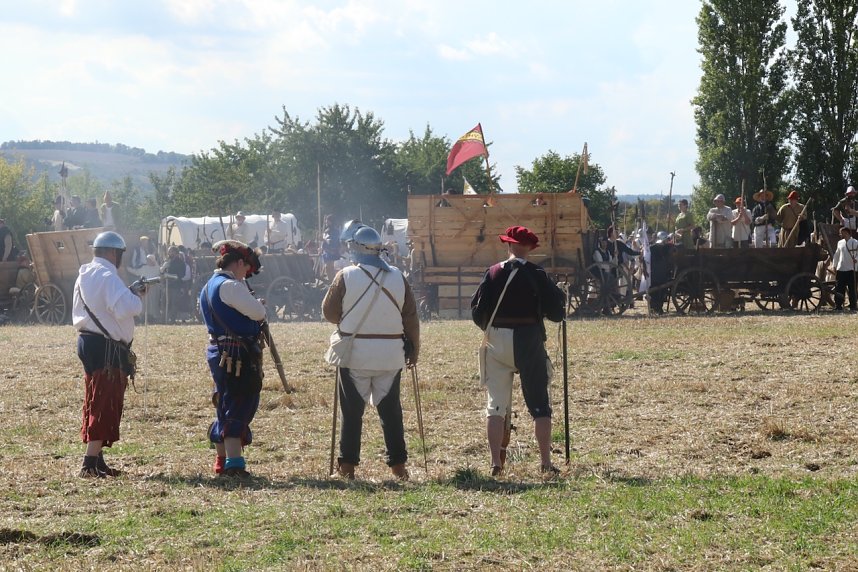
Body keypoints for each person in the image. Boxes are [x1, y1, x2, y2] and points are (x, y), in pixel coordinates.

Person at [322, 226, 420, 481]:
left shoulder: (345, 275)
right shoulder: (398, 276)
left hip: (356, 354)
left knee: (352, 412)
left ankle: (347, 468)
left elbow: (330, 313)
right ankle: (398, 467)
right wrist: (414, 351)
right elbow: (410, 318)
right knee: (391, 412)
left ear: (354, 248)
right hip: (391, 355)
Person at [470, 226, 565, 476]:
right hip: (528, 340)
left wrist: (493, 330)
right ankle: (545, 462)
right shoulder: (537, 274)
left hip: (497, 340)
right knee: (540, 405)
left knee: (495, 406)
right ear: (530, 248)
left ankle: (495, 463)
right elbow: (557, 313)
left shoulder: (491, 273)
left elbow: (477, 312)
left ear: (509, 245)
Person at [72, 231, 147, 477]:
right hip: (106, 347)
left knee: (96, 398)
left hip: (88, 341)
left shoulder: (85, 273)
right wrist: (135, 295)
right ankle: (89, 463)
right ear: (114, 253)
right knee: (105, 402)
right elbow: (128, 307)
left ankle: (98, 460)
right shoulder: (108, 276)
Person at [199, 240, 266, 478]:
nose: (246, 273)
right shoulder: (231, 286)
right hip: (236, 353)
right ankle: (234, 465)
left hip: (219, 350)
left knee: (225, 404)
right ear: (238, 262)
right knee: (239, 403)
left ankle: (222, 461)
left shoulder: (208, 286)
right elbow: (258, 313)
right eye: (245, 267)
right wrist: (257, 304)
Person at [831, 226, 858, 311]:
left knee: (852, 288)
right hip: (841, 268)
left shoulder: (855, 242)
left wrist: (856, 259)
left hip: (851, 269)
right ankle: (838, 305)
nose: (840, 234)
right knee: (839, 288)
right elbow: (837, 255)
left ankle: (853, 305)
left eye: (841, 232)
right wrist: (834, 265)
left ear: (846, 232)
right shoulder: (840, 243)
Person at [321, 214, 341, 281]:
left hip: (332, 251)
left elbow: (332, 242)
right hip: (326, 251)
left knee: (330, 267)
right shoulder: (326, 230)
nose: (326, 223)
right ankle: (331, 282)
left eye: (327, 221)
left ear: (331, 221)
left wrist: (323, 240)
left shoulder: (335, 231)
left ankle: (333, 282)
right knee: (328, 268)